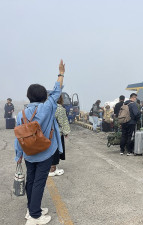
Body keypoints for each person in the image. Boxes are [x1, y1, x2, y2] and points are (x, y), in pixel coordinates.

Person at [15, 60, 65, 224]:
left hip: (29, 153)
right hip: (44, 152)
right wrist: (61, 73)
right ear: (44, 96)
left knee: (31, 180)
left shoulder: (21, 115)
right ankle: (35, 216)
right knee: (39, 183)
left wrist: (19, 155)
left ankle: (32, 209)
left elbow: (19, 137)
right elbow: (57, 91)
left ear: (29, 96)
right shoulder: (47, 107)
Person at [49, 95, 71, 177]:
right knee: (55, 150)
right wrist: (66, 132)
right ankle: (52, 169)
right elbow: (63, 122)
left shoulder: (46, 107)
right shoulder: (59, 108)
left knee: (48, 150)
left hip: (46, 133)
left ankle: (48, 166)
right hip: (55, 133)